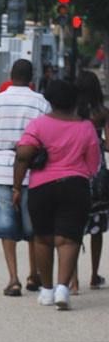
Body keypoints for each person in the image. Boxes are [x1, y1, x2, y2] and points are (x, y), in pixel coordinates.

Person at [12, 78, 104, 309]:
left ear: (49, 100)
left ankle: (46, 289)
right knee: (69, 239)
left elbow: (23, 155)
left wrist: (16, 186)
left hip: (41, 187)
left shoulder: (38, 125)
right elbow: (94, 163)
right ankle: (63, 288)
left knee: (43, 237)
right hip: (75, 186)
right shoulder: (86, 128)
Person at [0, 59, 49, 296]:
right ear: (32, 78)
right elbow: (47, 135)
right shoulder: (41, 102)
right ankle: (35, 274)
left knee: (5, 226)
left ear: (11, 76)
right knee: (34, 227)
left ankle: (13, 278)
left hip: (2, 167)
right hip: (34, 171)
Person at [74, 70, 109, 290]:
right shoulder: (102, 112)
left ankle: (73, 280)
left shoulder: (73, 111)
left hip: (76, 168)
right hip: (97, 173)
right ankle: (94, 275)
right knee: (97, 227)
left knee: (73, 225)